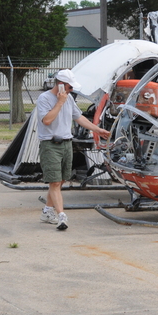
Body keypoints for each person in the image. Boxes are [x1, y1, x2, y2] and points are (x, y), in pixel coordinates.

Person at [36, 69, 110, 230]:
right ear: (61, 85)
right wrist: (59, 102)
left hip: (66, 143)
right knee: (55, 182)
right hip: (50, 144)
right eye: (69, 87)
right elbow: (47, 120)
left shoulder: (68, 98)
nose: (71, 90)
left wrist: (97, 130)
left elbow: (78, 117)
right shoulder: (44, 98)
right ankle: (61, 216)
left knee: (61, 180)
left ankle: (47, 211)